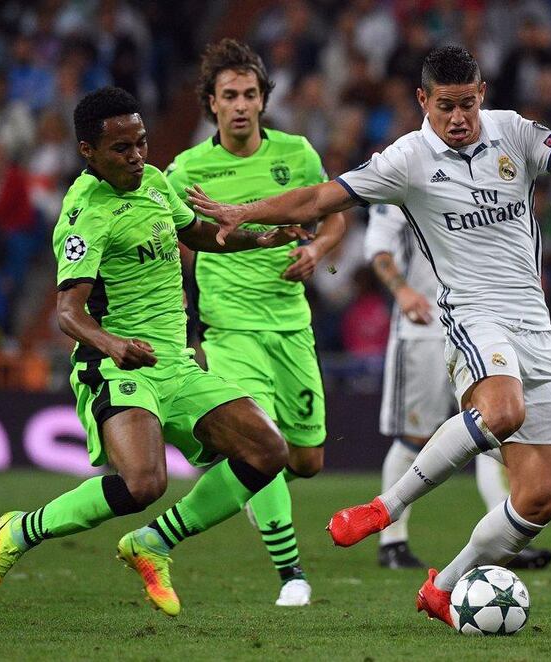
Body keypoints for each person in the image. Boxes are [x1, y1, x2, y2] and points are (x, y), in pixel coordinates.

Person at [187, 45, 551, 628]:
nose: (458, 118)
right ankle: (386, 508)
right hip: (469, 312)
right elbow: (317, 199)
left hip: (535, 322)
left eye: (467, 104)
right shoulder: (408, 158)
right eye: (445, 106)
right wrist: (242, 212)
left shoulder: (513, 133)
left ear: (482, 94)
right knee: (502, 410)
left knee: (539, 498)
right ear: (422, 101)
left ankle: (447, 586)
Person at [0, 86, 311, 617]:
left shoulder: (154, 183)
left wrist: (261, 239)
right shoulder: (84, 214)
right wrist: (114, 344)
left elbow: (195, 232)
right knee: (144, 482)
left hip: (174, 361)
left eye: (141, 144)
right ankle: (19, 530)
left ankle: (154, 544)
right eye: (121, 149)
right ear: (89, 152)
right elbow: (67, 312)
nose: (137, 157)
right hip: (114, 364)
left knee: (268, 450)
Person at [165, 39, 345, 607]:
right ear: (210, 105)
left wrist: (318, 252)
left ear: (264, 100)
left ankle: (238, 486)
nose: (240, 105)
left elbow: (333, 217)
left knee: (306, 461)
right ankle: (291, 574)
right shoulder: (187, 171)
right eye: (228, 96)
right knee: (259, 444)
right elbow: (176, 247)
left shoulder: (297, 154)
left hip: (292, 325)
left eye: (249, 94)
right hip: (230, 329)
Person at [365, 203, 551, 570]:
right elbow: (377, 246)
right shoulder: (399, 175)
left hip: (480, 326)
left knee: (491, 427)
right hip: (423, 329)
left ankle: (504, 540)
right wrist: (402, 291)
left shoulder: (478, 176)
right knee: (414, 437)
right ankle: (392, 541)